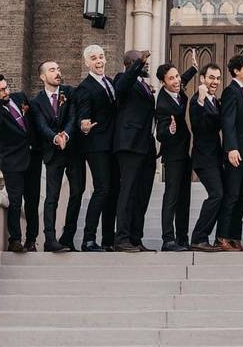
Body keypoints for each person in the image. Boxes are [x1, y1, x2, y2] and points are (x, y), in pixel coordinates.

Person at [0, 73, 42, 253]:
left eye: (6, 87)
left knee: (33, 201)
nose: (6, 92)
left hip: (33, 158)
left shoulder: (20, 98)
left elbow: (34, 120)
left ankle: (32, 240)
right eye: (1, 90)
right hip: (12, 162)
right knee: (15, 201)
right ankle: (15, 240)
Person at [32, 61, 84, 253]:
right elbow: (40, 125)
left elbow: (72, 116)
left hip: (73, 151)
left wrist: (66, 135)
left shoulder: (69, 93)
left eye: (58, 69)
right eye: (52, 70)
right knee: (51, 197)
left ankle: (68, 237)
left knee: (77, 193)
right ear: (42, 76)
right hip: (53, 154)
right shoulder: (36, 101)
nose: (57, 72)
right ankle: (50, 239)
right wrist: (55, 138)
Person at [75, 44, 119, 252]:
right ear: (87, 63)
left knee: (111, 191)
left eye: (101, 57)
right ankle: (88, 239)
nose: (99, 61)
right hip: (96, 146)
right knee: (101, 190)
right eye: (94, 58)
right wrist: (84, 126)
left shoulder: (109, 82)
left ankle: (108, 239)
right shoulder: (85, 88)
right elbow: (83, 114)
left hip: (112, 145)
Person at [112, 49, 157, 253]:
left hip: (146, 146)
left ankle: (135, 238)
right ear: (130, 63)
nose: (146, 65)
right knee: (128, 192)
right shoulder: (122, 78)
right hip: (129, 145)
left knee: (142, 194)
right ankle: (121, 238)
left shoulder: (143, 85)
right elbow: (122, 87)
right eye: (141, 62)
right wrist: (139, 63)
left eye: (145, 62)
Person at [154, 51, 198, 252]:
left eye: (177, 76)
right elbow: (161, 134)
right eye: (171, 78)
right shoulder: (162, 103)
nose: (176, 80)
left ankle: (183, 238)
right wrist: (169, 130)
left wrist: (194, 69)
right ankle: (168, 240)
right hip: (173, 156)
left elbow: (183, 79)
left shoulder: (177, 87)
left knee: (184, 198)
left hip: (184, 153)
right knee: (171, 197)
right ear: (163, 82)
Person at [220, 54, 243, 252]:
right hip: (236, 154)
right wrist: (231, 148)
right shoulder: (230, 92)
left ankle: (235, 237)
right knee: (232, 196)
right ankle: (222, 237)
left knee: (242, 197)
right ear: (236, 71)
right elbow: (228, 121)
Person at [188, 63, 226, 252]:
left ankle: (213, 237)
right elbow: (198, 126)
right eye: (211, 77)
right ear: (202, 78)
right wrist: (202, 100)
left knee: (221, 195)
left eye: (218, 78)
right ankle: (199, 237)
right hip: (203, 158)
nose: (215, 82)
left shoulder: (216, 101)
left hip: (216, 157)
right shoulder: (197, 100)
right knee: (216, 194)